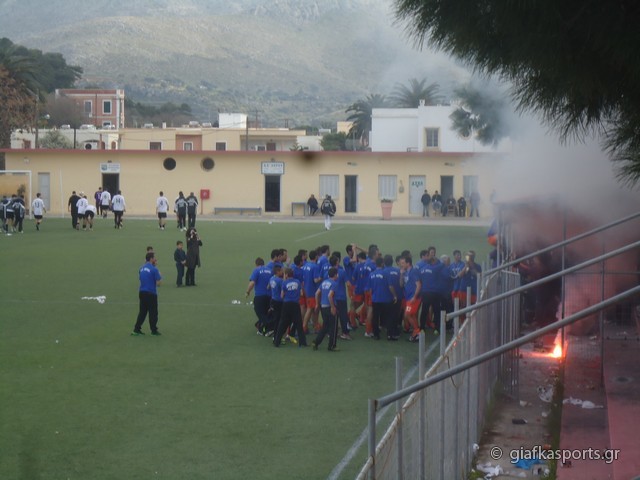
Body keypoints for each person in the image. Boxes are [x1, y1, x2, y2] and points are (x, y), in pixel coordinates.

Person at [273, 267, 307, 347]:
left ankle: (277, 342)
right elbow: (301, 293)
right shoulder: (298, 282)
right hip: (295, 304)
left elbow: (282, 295)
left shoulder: (284, 283)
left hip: (286, 304)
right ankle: (303, 342)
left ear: (287, 275)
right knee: (299, 323)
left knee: (282, 323)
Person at [132, 252, 162, 336]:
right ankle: (153, 330)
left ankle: (136, 329)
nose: (155, 259)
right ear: (151, 259)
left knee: (142, 312)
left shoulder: (141, 268)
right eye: (154, 258)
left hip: (142, 292)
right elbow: (158, 284)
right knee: (153, 313)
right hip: (151, 293)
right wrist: (158, 273)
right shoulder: (154, 269)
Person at [312, 267, 340, 351]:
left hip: (323, 306)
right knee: (333, 327)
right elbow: (330, 296)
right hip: (330, 306)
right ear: (335, 275)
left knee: (325, 326)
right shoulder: (334, 283)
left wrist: (317, 304)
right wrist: (333, 307)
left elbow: (317, 293)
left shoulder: (324, 282)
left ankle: (316, 342)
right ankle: (332, 345)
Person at [246, 257, 273, 335]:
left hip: (260, 296)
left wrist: (247, 292)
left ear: (256, 264)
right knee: (266, 312)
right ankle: (261, 327)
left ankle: (269, 328)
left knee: (260, 313)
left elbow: (252, 282)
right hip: (270, 296)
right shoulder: (270, 270)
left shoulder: (257, 270)